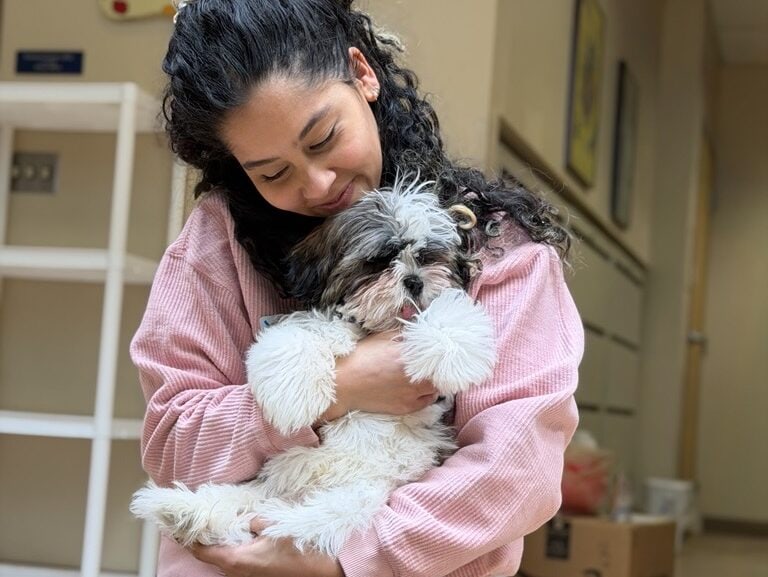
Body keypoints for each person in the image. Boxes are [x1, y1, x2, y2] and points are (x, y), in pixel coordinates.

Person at [130, 0, 583, 575]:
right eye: (272, 172)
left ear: (363, 73)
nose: (318, 184)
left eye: (323, 139)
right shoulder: (218, 243)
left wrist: (344, 557)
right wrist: (339, 386)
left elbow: (515, 470)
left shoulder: (498, 248)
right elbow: (173, 445)